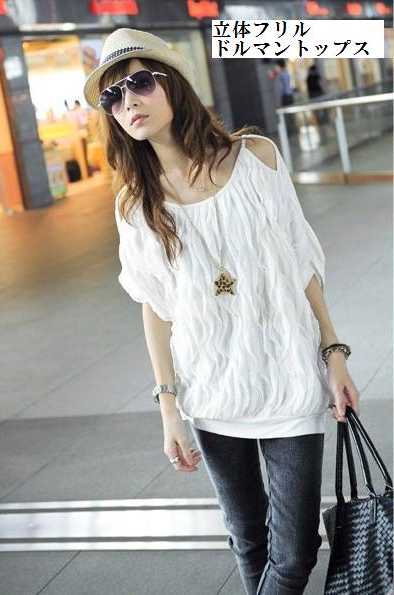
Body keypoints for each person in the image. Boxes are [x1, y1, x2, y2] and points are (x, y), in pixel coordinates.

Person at [83, 28, 360, 595]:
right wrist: (168, 409)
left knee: (296, 552)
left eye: (140, 83)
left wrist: (334, 353)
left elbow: (302, 263)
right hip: (211, 388)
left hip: (287, 376)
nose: (128, 101)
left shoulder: (256, 157)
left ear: (174, 85)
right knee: (247, 538)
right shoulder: (135, 203)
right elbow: (154, 307)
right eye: (113, 95)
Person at [275, 59, 296, 135]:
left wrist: (278, 102)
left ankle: (288, 133)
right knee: (291, 116)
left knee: (285, 116)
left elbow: (280, 89)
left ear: (279, 66)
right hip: (290, 96)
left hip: (285, 97)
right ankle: (294, 130)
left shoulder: (280, 75)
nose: (276, 68)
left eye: (276, 66)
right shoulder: (287, 73)